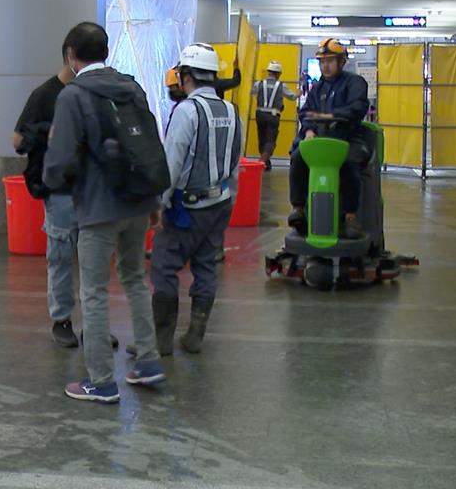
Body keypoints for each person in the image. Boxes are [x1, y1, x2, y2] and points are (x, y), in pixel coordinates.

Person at [43, 22, 166, 403]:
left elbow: (59, 158)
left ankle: (100, 380)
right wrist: (154, 200)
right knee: (134, 278)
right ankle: (148, 361)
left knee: (93, 291)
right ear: (106, 52)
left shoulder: (73, 95)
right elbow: (150, 142)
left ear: (70, 56)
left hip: (98, 207)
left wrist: (50, 183)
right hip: (138, 201)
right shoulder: (132, 87)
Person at [150, 43, 242, 356]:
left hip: (186, 208)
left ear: (186, 75)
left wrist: (159, 204)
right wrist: (229, 200)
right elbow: (235, 161)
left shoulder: (186, 111)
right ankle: (195, 334)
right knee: (205, 265)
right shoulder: (231, 111)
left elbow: (172, 163)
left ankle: (161, 340)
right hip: (220, 203)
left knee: (163, 266)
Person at [13, 64, 80, 348]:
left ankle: (96, 322)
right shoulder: (44, 95)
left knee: (96, 260)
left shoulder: (95, 90)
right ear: (71, 57)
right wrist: (47, 132)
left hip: (94, 190)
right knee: (62, 256)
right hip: (60, 189)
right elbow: (18, 140)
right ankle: (61, 319)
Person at [287, 39, 371, 240]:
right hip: (319, 140)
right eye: (322, 61)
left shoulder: (354, 83)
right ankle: (299, 209)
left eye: (330, 61)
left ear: (341, 62)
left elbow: (357, 108)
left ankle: (350, 216)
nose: (325, 65)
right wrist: (308, 130)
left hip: (347, 139)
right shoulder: (317, 88)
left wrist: (331, 116)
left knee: (349, 163)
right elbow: (306, 112)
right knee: (298, 157)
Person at [250, 60, 297, 170]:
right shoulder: (281, 85)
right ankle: (261, 163)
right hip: (273, 116)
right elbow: (292, 97)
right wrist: (298, 94)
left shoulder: (259, 83)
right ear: (278, 74)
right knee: (271, 140)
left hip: (260, 114)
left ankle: (266, 163)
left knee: (262, 138)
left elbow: (252, 92)